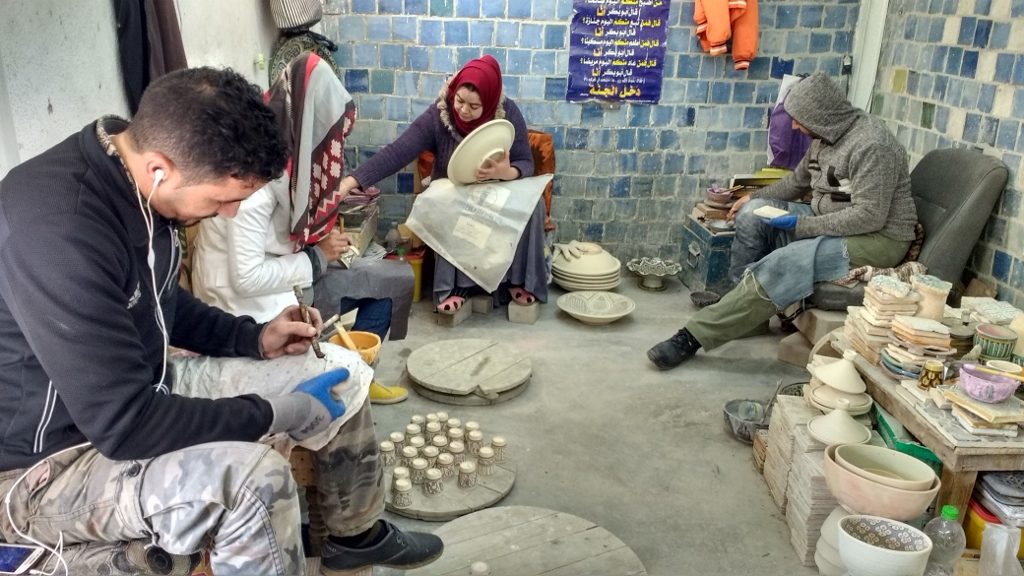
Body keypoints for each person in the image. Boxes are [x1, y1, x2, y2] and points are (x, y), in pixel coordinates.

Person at [0, 67, 441, 576]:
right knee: (255, 485)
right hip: (49, 468)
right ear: (161, 168)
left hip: (146, 391)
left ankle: (354, 536)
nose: (230, 215)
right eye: (223, 199)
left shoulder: (141, 180)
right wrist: (273, 413)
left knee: (340, 373)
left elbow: (161, 300)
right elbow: (126, 426)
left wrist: (254, 338)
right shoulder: (58, 230)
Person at [648, 72, 918, 370]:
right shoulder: (823, 139)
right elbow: (795, 183)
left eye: (798, 119)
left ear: (820, 116)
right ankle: (748, 316)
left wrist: (803, 227)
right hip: (831, 220)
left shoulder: (872, 145)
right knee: (754, 215)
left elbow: (870, 216)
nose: (794, 126)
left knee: (787, 261)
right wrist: (753, 197)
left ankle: (693, 336)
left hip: (878, 239)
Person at [192, 53, 413, 405]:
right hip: (241, 298)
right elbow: (246, 276)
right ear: (310, 124)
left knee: (390, 282)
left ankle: (360, 373)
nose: (334, 147)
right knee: (307, 342)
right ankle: (348, 379)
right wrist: (316, 258)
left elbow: (289, 224)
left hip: (284, 270)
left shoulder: (294, 158)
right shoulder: (254, 177)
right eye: (331, 133)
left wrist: (316, 237)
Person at [334, 54, 546, 313]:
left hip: (497, 187)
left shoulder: (508, 112)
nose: (464, 110)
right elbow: (398, 151)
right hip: (454, 189)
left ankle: (521, 280)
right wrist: (349, 182)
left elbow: (526, 162)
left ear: (490, 103)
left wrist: (506, 172)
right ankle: (454, 288)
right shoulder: (440, 114)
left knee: (533, 205)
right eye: (460, 100)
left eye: (474, 106)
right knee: (440, 200)